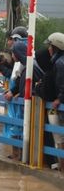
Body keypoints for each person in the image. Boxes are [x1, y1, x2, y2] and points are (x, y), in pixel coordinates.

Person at [5, 41, 44, 160]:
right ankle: (21, 155)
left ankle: (26, 157)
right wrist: (13, 91)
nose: (12, 56)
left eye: (13, 53)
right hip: (23, 105)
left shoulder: (32, 67)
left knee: (28, 131)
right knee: (21, 130)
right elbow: (19, 82)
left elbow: (36, 85)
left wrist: (24, 95)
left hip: (32, 106)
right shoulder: (25, 66)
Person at [45, 32, 64, 171]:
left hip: (58, 105)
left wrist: (59, 99)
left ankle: (62, 166)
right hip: (57, 104)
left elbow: (62, 84)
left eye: (50, 46)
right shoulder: (57, 61)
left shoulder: (59, 62)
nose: (48, 49)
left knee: (59, 137)